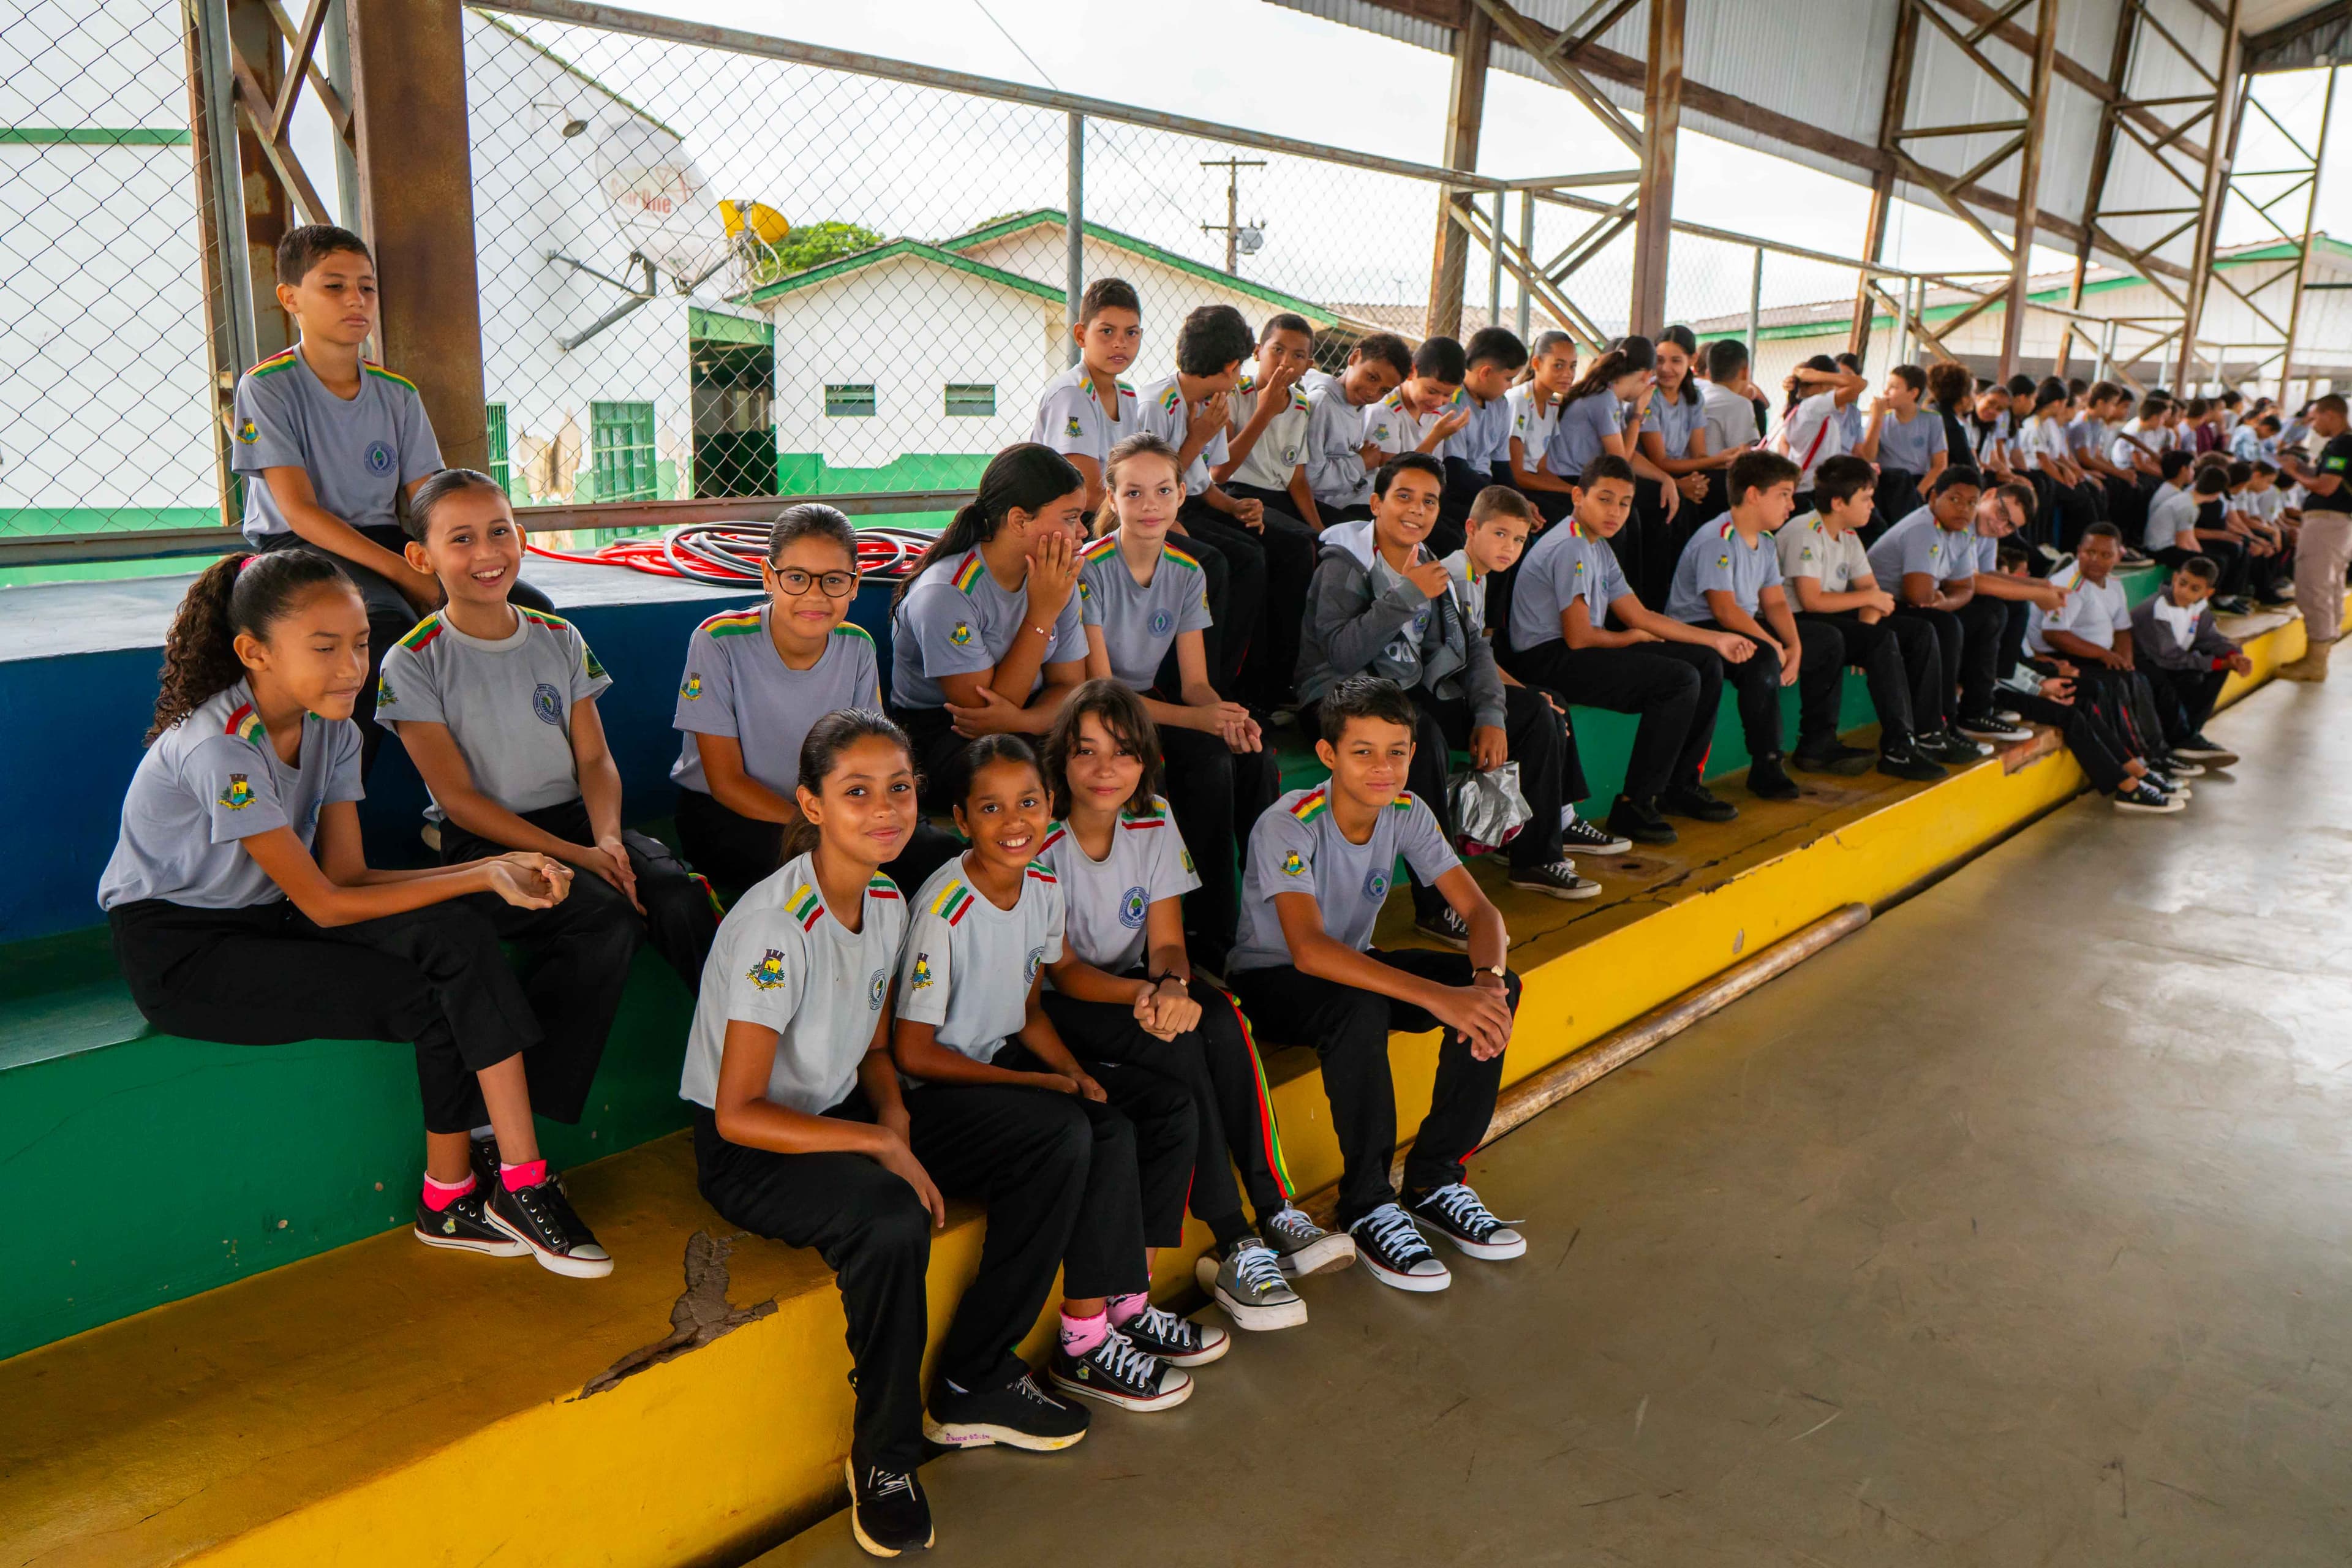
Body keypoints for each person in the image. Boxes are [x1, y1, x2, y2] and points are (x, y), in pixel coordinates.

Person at [99, 548, 610, 1278]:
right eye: (325, 647)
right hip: (184, 953)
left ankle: (461, 1197)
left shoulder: (334, 726)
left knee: (454, 944)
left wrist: (486, 874)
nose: (352, 668)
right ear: (254, 652)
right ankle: (515, 1186)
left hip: (272, 914)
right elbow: (328, 903)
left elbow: (347, 871)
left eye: (362, 645)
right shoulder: (223, 750)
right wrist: (482, 872)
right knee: (440, 974)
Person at [680, 710, 1088, 1559]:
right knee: (891, 1219)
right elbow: (738, 1113)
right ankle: (886, 1460)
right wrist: (878, 1146)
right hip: (756, 1150)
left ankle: (978, 1372)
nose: (886, 809)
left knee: (1059, 1135)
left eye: (899, 789)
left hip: (848, 1112)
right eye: (857, 792)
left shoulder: (887, 896)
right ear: (812, 805)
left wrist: (895, 1116)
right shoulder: (774, 927)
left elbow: (872, 1043)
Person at [378, 468, 719, 1136]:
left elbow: (594, 759)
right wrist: (579, 857)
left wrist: (611, 839)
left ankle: (749, 1060)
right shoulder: (413, 659)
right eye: (462, 539)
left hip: (579, 821)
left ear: (523, 536)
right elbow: (458, 798)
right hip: (485, 838)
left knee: (676, 898)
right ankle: (501, 1123)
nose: (487, 554)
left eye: (500, 531)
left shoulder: (557, 637)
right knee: (603, 920)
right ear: (422, 557)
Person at [894, 736, 1208, 1413]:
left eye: (1030, 803)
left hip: (1005, 1057)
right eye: (992, 807)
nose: (1015, 822)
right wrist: (1039, 1085)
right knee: (1096, 1132)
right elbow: (913, 1053)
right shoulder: (943, 910)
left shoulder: (1041, 883)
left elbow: (1031, 1006)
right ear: (961, 818)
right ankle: (1083, 1341)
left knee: (1164, 1106)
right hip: (942, 1091)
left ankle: (1127, 1304)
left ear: (1050, 805)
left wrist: (1070, 1069)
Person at [1031, 684, 1350, 1332]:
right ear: (1060, 759)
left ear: (1144, 762)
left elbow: (1169, 941)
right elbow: (1062, 973)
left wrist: (1173, 986)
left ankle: (1275, 1206)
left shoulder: (1152, 817)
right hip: (1069, 1004)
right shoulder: (1042, 838)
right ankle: (1234, 1241)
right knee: (1175, 1041)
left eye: (1122, 752)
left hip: (1137, 984)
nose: (1103, 769)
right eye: (1085, 750)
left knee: (1223, 1013)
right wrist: (1149, 998)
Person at [1224, 676, 1525, 1291]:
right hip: (1272, 983)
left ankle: (1436, 1179)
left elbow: (1482, 915)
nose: (1383, 768)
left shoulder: (1407, 812)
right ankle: (1366, 1203)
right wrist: (1444, 999)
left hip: (1355, 969)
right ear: (1329, 756)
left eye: (1397, 751)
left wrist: (1486, 985)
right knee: (1361, 1004)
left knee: (1500, 985)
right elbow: (1308, 951)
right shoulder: (1289, 824)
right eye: (1363, 751)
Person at [230, 223, 553, 772]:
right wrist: (408, 575)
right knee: (378, 626)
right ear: (291, 299)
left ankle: (509, 784)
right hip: (298, 543)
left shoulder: (397, 393)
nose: (356, 300)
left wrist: (456, 557)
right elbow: (299, 511)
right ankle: (339, 804)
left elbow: (431, 501)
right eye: (334, 287)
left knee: (529, 611)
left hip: (384, 537)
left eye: (367, 287)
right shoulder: (267, 386)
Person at [1297, 452, 1594, 932]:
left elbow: (1472, 646)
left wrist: (1491, 716)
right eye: (1404, 497)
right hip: (1337, 693)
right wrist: (1407, 597)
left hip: (1408, 688)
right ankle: (1438, 902)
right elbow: (1341, 653)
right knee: (1423, 736)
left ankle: (1534, 857)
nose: (1417, 510)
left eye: (1429, 501)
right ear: (1376, 503)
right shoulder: (1345, 563)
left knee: (1534, 714)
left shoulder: (1432, 562)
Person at [671, 503, 961, 899]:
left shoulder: (857, 647)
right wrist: (818, 826)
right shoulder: (718, 641)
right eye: (796, 577)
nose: (815, 596)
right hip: (735, 815)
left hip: (835, 812)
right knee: (820, 871)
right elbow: (726, 782)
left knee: (939, 856)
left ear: (855, 584)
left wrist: (855, 818)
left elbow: (868, 756)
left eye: (834, 580)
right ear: (768, 577)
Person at [1079, 434, 1279, 967]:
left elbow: (1196, 684)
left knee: (1252, 756)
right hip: (1096, 712)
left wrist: (1226, 717)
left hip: (1153, 703)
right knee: (1193, 771)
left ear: (1182, 494)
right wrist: (1199, 719)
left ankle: (1247, 927)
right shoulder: (1088, 570)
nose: (1150, 506)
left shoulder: (1189, 571)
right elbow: (1104, 693)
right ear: (1111, 496)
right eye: (1136, 493)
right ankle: (1178, 934)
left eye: (1163, 492)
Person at [1503, 453, 1747, 845]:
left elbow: (1640, 614)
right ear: (1578, 496)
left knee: (1704, 662)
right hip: (1546, 659)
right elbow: (1580, 638)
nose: (1615, 511)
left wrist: (1715, 639)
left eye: (1624, 503)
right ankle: (1635, 804)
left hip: (1575, 651)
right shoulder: (1571, 546)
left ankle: (1680, 786)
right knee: (1678, 680)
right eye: (1605, 499)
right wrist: (1629, 640)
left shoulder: (1597, 546)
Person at [886, 444, 1089, 801]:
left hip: (1029, 717)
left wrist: (1026, 722)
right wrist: (1041, 615)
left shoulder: (1053, 577)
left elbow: (1069, 686)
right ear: (1019, 521)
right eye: (1070, 519)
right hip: (943, 733)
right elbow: (982, 716)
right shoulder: (947, 594)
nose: (1083, 532)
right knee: (1034, 775)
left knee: (1114, 751)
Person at [1663, 449, 1868, 797]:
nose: (1791, 505)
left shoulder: (1767, 541)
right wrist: (1774, 646)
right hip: (1700, 629)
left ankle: (1819, 742)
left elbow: (1773, 602)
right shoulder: (1719, 538)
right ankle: (1767, 763)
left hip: (1738, 624)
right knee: (1762, 659)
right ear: (1754, 495)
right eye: (1784, 495)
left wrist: (1796, 647)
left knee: (1827, 640)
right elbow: (1725, 610)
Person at [1443, 485, 1632, 859]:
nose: (1509, 548)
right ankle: (1532, 849)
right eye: (1500, 534)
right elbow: (1464, 664)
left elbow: (1479, 656)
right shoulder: (1459, 576)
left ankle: (1560, 817)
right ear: (1471, 528)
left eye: (1517, 539)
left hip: (1466, 682)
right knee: (1537, 712)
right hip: (1444, 693)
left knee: (1551, 699)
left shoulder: (1477, 576)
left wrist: (1528, 690)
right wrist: (1524, 698)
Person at [1137, 303, 1315, 699]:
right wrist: (1197, 438)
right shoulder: (1156, 404)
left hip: (1193, 504)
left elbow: (1204, 483)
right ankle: (1204, 685)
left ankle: (1255, 683)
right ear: (1234, 367)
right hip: (1155, 513)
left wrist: (1234, 507)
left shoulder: (1210, 403)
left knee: (1274, 549)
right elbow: (1153, 489)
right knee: (1221, 562)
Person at [1776, 456, 1949, 782]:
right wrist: (1869, 618)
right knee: (1870, 639)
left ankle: (1927, 733)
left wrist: (1866, 634)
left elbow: (1874, 592)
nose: (1873, 506)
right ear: (1839, 503)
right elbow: (1811, 600)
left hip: (1831, 614)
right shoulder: (1806, 530)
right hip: (1794, 618)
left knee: (1920, 631)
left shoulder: (1850, 536)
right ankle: (1897, 749)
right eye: (1866, 499)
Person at [1865, 469, 2054, 745]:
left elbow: (1964, 587)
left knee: (1991, 611)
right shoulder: (1924, 529)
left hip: (1915, 602)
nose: (1964, 509)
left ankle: (1977, 709)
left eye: (1969, 503)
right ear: (1933, 498)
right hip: (1881, 608)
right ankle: (1942, 725)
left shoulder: (1964, 530)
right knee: (1946, 626)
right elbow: (1921, 598)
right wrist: (1946, 602)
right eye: (1955, 500)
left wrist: (1947, 601)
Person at [1548, 336, 1675, 600]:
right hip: (1569, 480)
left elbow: (1622, 457)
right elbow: (1621, 462)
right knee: (1631, 516)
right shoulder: (1604, 399)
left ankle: (1643, 599)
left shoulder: (1607, 395)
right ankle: (1625, 604)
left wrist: (1666, 478)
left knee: (1652, 504)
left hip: (1587, 477)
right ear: (1647, 376)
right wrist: (1639, 413)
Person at [1032, 277, 1142, 511]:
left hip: (1114, 511)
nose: (1120, 343)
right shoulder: (1073, 394)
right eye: (1107, 331)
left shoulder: (1127, 395)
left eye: (1131, 333)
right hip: (1072, 519)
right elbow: (1088, 495)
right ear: (1081, 336)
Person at [2128, 559, 2250, 764]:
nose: (2184, 591)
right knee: (2164, 678)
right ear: (2175, 578)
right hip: (2143, 665)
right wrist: (2216, 663)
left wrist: (2233, 655)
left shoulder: (2199, 607)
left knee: (2210, 671)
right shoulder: (2158, 608)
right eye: (2182, 583)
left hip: (2171, 661)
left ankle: (2189, 734)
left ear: (2207, 593)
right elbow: (2168, 658)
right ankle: (2184, 739)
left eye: (2194, 588)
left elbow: (2210, 637)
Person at [1638, 325, 1724, 605]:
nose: (1666, 369)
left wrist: (1695, 481)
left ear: (1692, 360)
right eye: (1660, 360)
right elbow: (1658, 460)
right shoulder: (1649, 397)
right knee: (1673, 507)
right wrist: (1720, 460)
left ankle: (1716, 583)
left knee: (1721, 488)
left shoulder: (1694, 397)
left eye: (1676, 361)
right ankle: (1662, 599)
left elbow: (1698, 454)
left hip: (1679, 469)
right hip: (1649, 473)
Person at [1365, 335, 1474, 553]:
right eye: (1432, 391)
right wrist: (1436, 437)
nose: (1438, 402)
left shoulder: (1433, 414)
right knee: (1450, 543)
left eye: (1447, 395)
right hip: (1384, 503)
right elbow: (1392, 476)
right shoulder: (1385, 411)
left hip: (1420, 501)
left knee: (1472, 530)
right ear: (1412, 372)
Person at [1218, 311, 1324, 537]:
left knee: (1329, 536)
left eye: (1298, 356)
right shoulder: (1234, 393)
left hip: (1278, 495)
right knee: (1301, 545)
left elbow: (1296, 477)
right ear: (1258, 352)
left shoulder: (1301, 405)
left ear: (1307, 366)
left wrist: (1320, 529)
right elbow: (1220, 470)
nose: (1285, 362)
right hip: (1238, 492)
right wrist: (1265, 412)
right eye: (1278, 350)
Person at [2274, 393, 2351, 681]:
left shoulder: (2343, 444)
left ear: (2331, 414)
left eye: (2316, 417)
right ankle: (2320, 653)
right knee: (2329, 587)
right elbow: (2327, 479)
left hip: (2327, 524)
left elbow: (2326, 487)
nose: (2313, 424)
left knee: (2314, 587)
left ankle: (2315, 662)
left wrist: (2296, 473)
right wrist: (2300, 470)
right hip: (2337, 526)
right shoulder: (2339, 445)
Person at [1302, 332, 1412, 522]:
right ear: (1354, 358)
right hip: (1326, 506)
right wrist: (1360, 463)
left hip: (1351, 498)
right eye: (1371, 377)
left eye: (1385, 390)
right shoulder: (1321, 404)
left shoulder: (1356, 406)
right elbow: (1309, 479)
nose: (1372, 393)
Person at [1437, 326, 1529, 546]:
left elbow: (1501, 465)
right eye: (1508, 379)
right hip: (1456, 491)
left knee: (1522, 531)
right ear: (1486, 373)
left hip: (1486, 488)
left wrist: (1522, 502)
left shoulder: (1501, 404)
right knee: (1498, 536)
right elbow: (1455, 470)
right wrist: (1504, 502)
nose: (1511, 386)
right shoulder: (1452, 403)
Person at [1855, 364, 1948, 531]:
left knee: (1903, 479)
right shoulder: (1881, 418)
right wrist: (1877, 420)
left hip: (1914, 483)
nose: (1886, 393)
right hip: (1883, 480)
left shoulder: (1932, 420)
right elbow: (1868, 458)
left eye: (1894, 387)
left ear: (1913, 393)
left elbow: (1940, 465)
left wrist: (1918, 492)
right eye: (1887, 386)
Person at [1774, 354, 1869, 513]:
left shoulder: (1801, 408)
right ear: (1822, 385)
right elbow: (1859, 385)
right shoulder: (1813, 407)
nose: (1836, 388)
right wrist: (1817, 375)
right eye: (1832, 384)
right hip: (1813, 490)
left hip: (1807, 488)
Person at [1506, 330, 1580, 523]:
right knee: (1569, 516)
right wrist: (1570, 490)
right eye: (1558, 366)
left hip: (1533, 483)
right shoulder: (1519, 401)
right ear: (1537, 364)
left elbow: (1541, 468)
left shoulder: (1552, 405)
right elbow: (1517, 474)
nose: (1568, 374)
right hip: (1514, 486)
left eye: (1573, 367)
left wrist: (1576, 492)